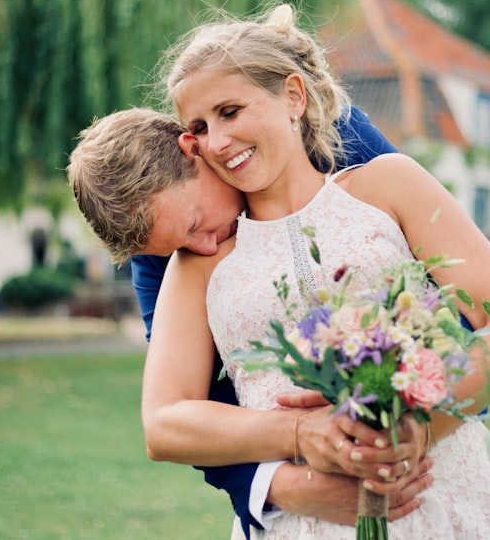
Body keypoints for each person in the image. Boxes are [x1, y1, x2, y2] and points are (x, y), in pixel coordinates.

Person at [141, 3, 490, 538]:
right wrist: (297, 434)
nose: (218, 141)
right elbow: (165, 423)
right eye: (199, 127)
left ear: (293, 96)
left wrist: (420, 429)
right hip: (304, 520)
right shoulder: (198, 261)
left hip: (442, 493)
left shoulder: (390, 185)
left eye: (230, 111)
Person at [68, 108, 431, 537]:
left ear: (193, 151)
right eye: (179, 246)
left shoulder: (334, 129)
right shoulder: (162, 255)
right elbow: (194, 403)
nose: (202, 248)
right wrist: (279, 486)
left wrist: (423, 418)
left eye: (195, 225)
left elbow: (449, 288)